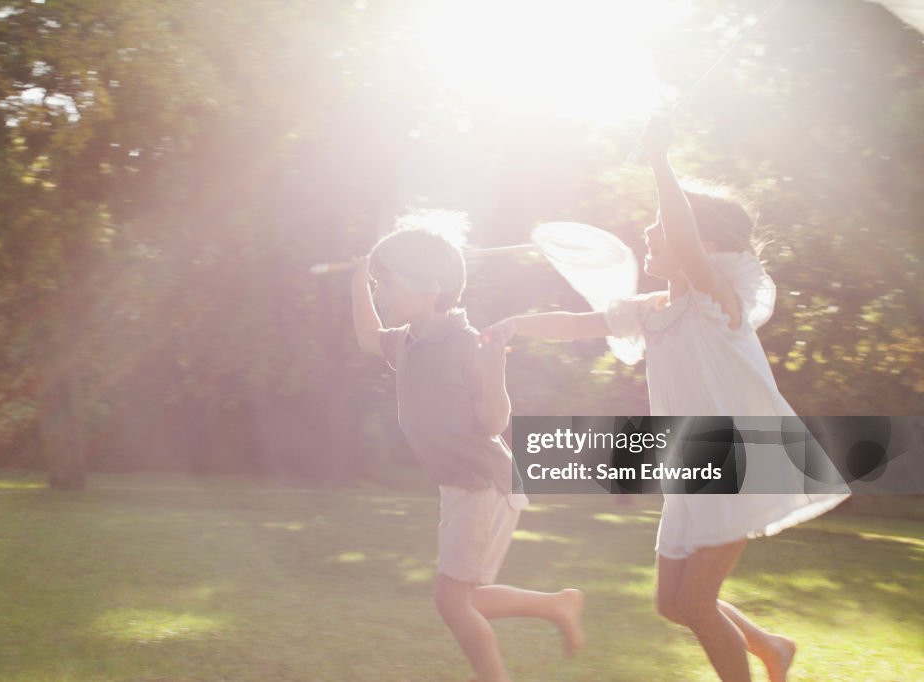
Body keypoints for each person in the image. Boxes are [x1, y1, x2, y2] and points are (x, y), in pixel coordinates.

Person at [485, 120, 849, 682]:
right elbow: (575, 323)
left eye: (661, 224)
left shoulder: (715, 301)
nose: (650, 232)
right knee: (673, 605)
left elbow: (679, 231)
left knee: (698, 605)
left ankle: (763, 661)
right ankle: (771, 647)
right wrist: (513, 325)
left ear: (701, 244)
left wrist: (661, 161)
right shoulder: (652, 309)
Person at [351, 213, 584, 682]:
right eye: (378, 285)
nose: (381, 294)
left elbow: (494, 421)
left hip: (483, 484)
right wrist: (359, 277)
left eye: (387, 283)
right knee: (467, 597)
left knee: (450, 600)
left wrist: (495, 365)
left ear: (431, 288)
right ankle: (557, 605)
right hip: (460, 486)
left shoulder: (465, 342)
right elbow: (366, 338)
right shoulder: (410, 340)